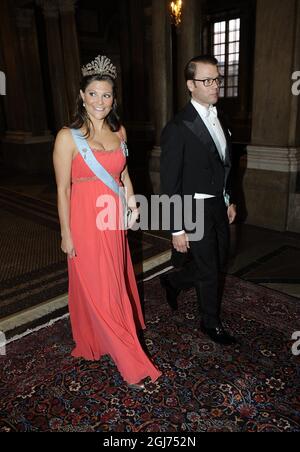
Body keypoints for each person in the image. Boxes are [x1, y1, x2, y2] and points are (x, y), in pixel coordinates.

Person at [53, 55, 161, 388]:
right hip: (84, 221)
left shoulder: (120, 131)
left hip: (112, 219)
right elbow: (62, 190)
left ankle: (97, 340)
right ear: (82, 96)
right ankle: (131, 361)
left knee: (113, 283)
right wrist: (66, 234)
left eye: (107, 95)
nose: (101, 101)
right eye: (94, 94)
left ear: (114, 99)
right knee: (100, 290)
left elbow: (124, 173)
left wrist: (132, 203)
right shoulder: (67, 137)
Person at [160, 55, 237, 345]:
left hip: (218, 204)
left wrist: (228, 198)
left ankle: (174, 280)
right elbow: (169, 183)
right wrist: (176, 228)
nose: (215, 85)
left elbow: (226, 164)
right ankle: (210, 323)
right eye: (207, 80)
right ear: (190, 85)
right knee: (208, 270)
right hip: (193, 208)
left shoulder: (221, 118)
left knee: (219, 260)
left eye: (217, 79)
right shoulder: (178, 127)